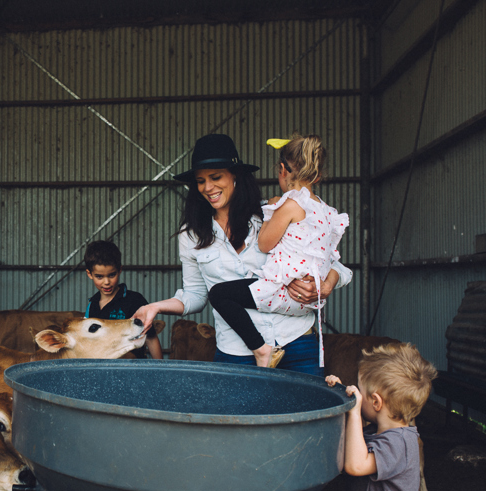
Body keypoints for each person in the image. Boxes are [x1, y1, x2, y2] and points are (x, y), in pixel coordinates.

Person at [132, 133, 352, 377]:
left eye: (216, 177)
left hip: (296, 341)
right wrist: (155, 306)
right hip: (236, 352)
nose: (208, 188)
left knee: (307, 414)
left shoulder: (270, 213)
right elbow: (196, 295)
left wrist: (328, 283)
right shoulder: (191, 235)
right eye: (200, 181)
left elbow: (332, 261)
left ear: (234, 176)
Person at [206, 134, 349, 368]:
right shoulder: (326, 211)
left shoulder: (288, 205)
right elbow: (331, 256)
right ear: (318, 175)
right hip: (308, 299)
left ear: (282, 169)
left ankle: (260, 349)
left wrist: (272, 212)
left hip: (282, 292)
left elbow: (264, 243)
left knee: (219, 294)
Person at [325, 343, 436, 491]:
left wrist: (354, 412)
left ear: (376, 402)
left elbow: (355, 465)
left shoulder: (400, 444)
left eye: (360, 391)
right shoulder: (378, 434)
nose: (356, 394)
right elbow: (349, 445)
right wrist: (338, 396)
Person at [84, 240, 163, 359]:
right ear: (89, 274)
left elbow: (151, 338)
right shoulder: (91, 306)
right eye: (99, 276)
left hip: (131, 369)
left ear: (120, 270)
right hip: (101, 369)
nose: (106, 282)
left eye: (112, 275)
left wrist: (161, 371)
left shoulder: (134, 301)